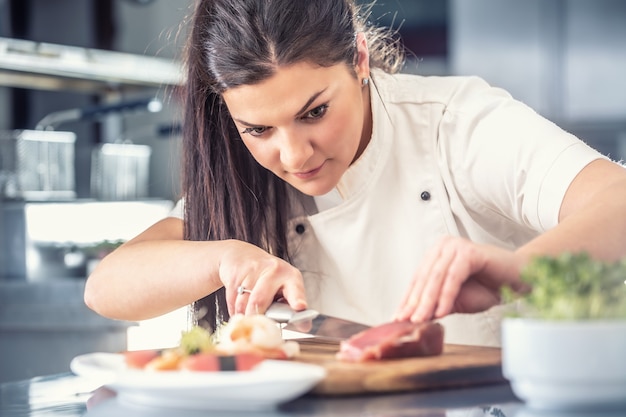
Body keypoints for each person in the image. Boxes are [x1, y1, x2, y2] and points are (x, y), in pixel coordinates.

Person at [84, 0, 626, 347]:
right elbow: (107, 287)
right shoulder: (237, 176)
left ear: (360, 57)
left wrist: (516, 269)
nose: (294, 156)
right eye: (259, 130)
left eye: (315, 112)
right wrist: (224, 256)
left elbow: (618, 202)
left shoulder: (456, 123)